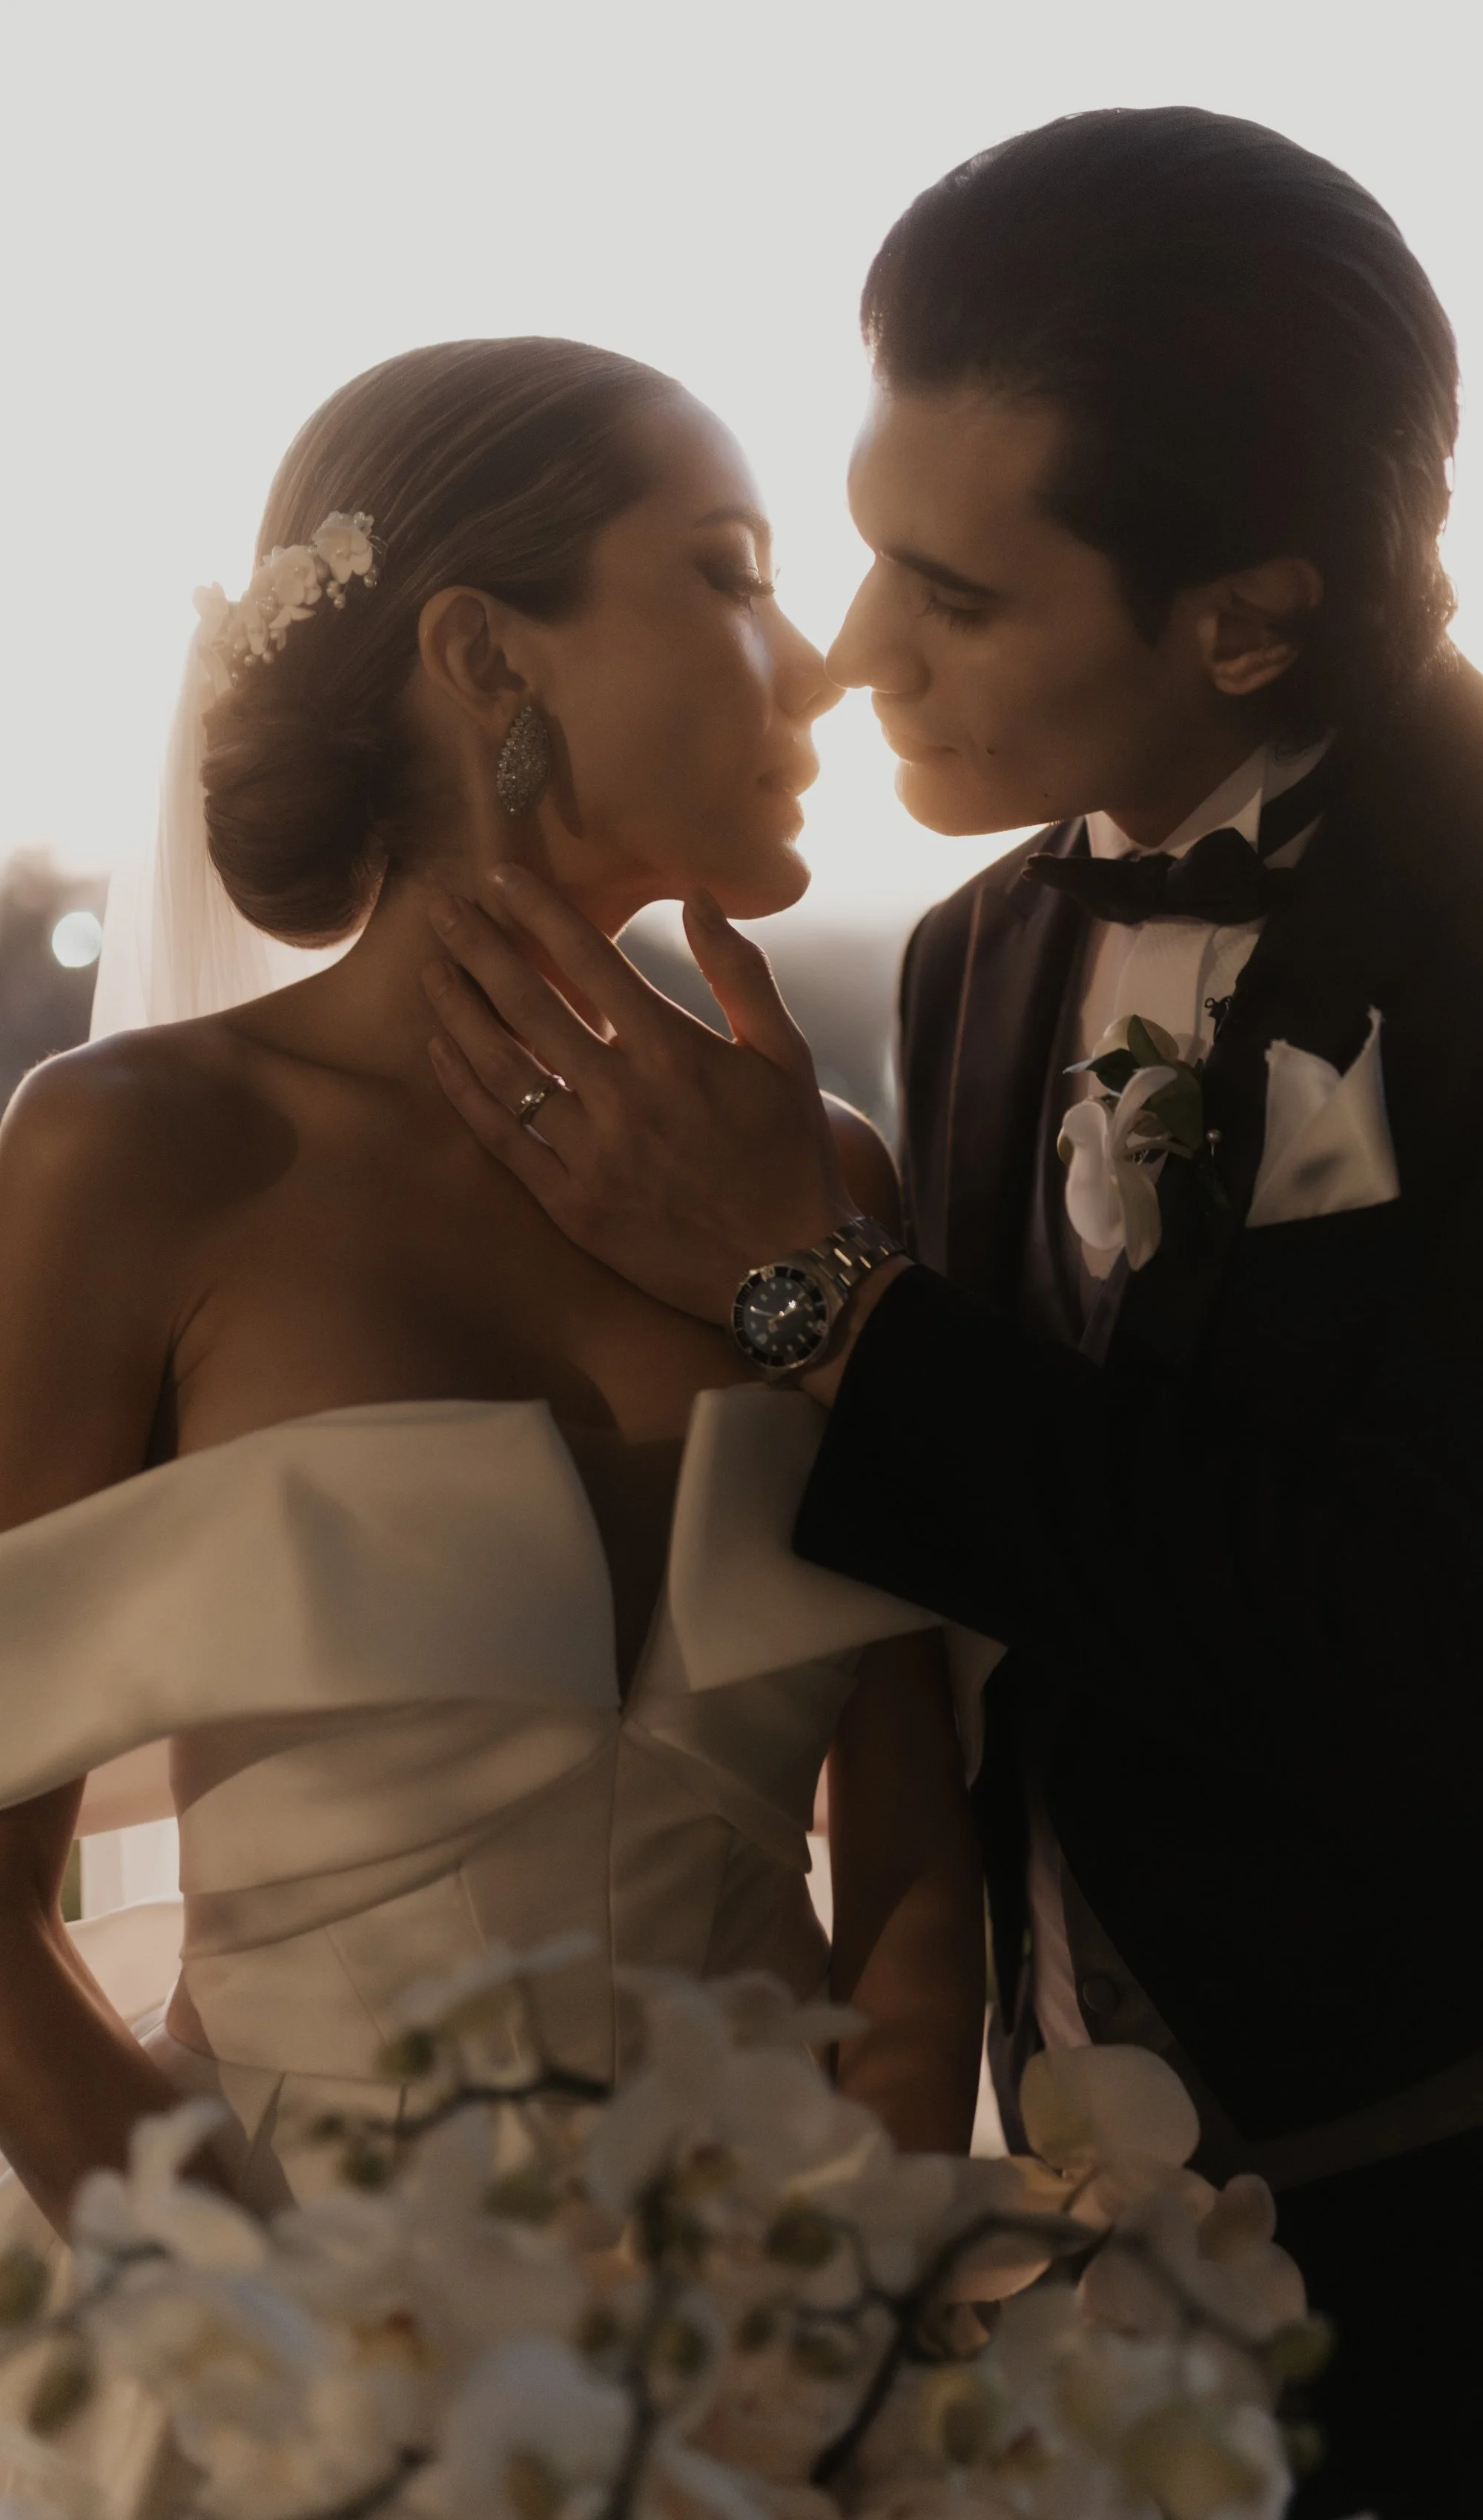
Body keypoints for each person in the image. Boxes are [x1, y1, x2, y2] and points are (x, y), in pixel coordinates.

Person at [422, 113, 1483, 2520]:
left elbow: (1424, 1651)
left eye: (952, 591)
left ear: (1249, 615)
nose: (852, 656)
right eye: (856, 548)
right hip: (1078, 2311)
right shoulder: (969, 962)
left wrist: (819, 1293)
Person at [0, 336, 987, 2241]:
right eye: (729, 571)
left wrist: (852, 2325)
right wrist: (267, 2337)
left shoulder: (822, 1178)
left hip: (789, 2401)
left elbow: (908, 1878)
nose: (822, 665)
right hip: (285, 2396)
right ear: (483, 658)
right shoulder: (137, 1158)